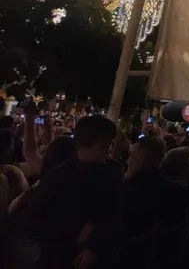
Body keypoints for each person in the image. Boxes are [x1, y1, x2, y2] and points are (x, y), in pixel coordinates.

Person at [26, 114, 124, 269]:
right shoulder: (60, 176)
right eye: (105, 145)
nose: (109, 151)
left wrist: (95, 246)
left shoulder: (112, 173)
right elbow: (39, 218)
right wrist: (74, 235)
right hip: (60, 256)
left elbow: (115, 215)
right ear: (94, 144)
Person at [121, 134, 189, 266]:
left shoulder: (127, 192)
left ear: (142, 158)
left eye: (131, 156)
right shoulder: (179, 193)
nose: (127, 161)